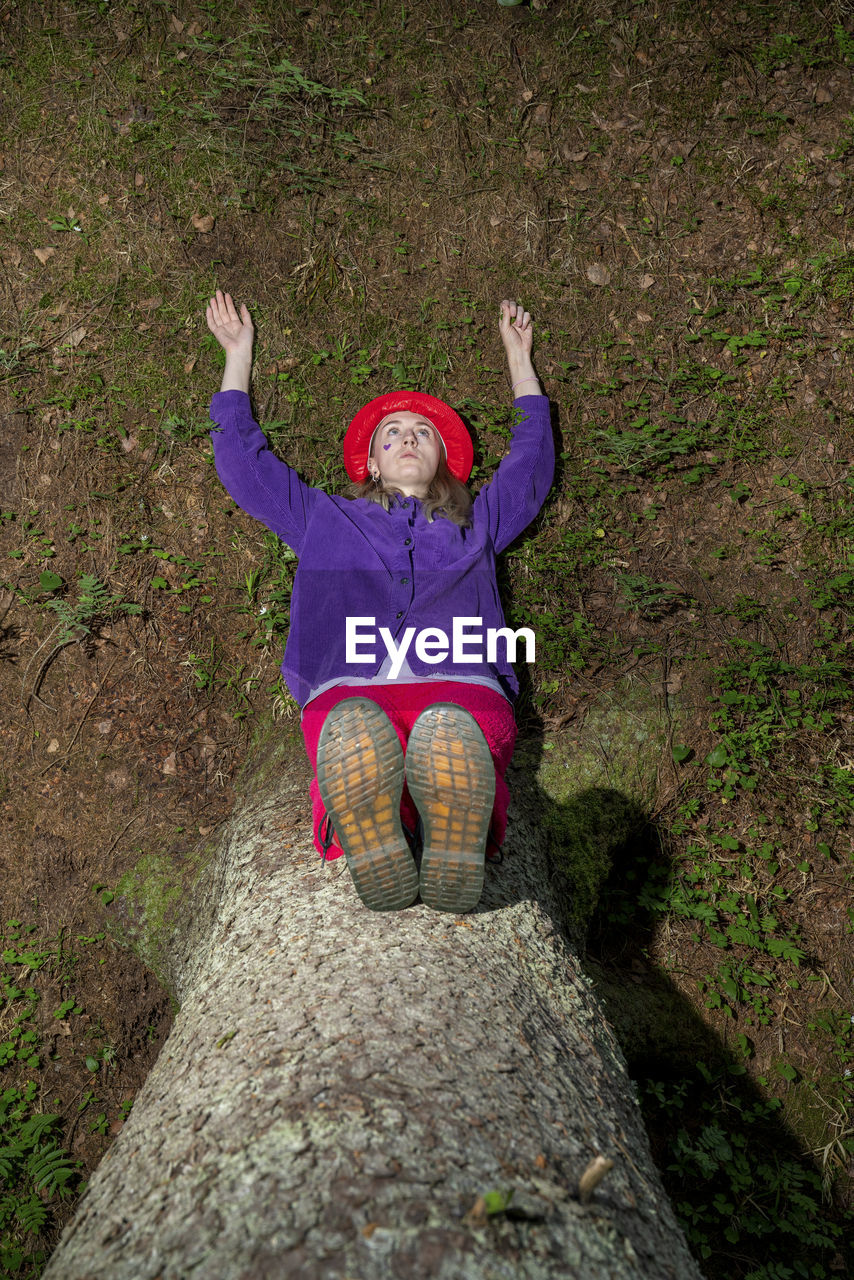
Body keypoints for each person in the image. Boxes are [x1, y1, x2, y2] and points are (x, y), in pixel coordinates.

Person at [206, 292, 553, 914]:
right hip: (351, 685)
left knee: (455, 728)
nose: (409, 438)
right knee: (354, 732)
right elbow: (244, 466)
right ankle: (377, 826)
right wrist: (238, 357)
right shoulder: (324, 516)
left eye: (423, 433)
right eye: (392, 433)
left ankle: (452, 827)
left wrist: (520, 365)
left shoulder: (477, 522)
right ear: (369, 462)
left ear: (445, 461)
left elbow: (529, 469)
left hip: (459, 676)